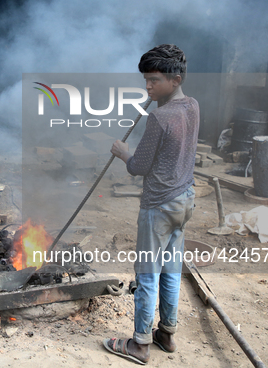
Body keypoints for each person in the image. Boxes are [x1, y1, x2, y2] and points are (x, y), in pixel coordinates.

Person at [103, 44, 199, 365]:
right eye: (146, 79)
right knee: (171, 271)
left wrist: (122, 152)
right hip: (184, 200)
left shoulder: (159, 117)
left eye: (154, 80)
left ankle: (140, 344)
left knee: (147, 274)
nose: (148, 87)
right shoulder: (192, 106)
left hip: (158, 205)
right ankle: (167, 335)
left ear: (175, 79)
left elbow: (138, 166)